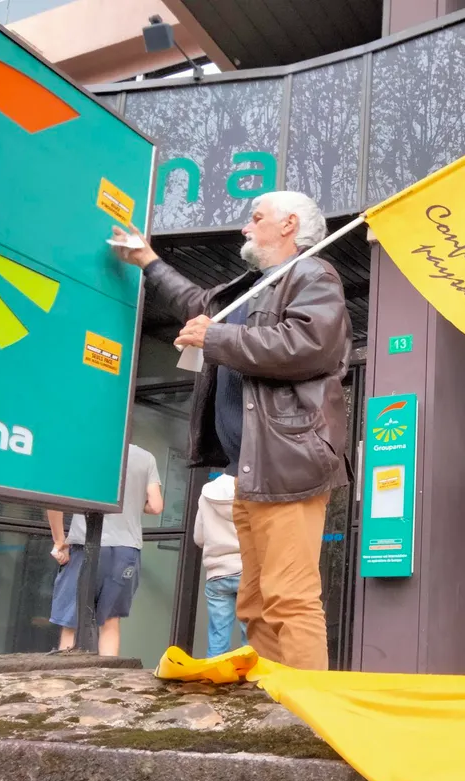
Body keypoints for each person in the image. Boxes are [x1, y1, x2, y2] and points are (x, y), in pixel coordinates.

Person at [111, 191, 351, 670]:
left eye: (256, 217)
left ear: (288, 225)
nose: (246, 227)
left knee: (289, 598)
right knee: (255, 601)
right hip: (252, 471)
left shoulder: (313, 274)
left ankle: (308, 719)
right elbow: (197, 302)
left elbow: (308, 346)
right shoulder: (254, 287)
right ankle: (266, 705)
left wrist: (214, 337)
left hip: (289, 465)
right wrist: (147, 260)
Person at [47, 443, 163, 656]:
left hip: (87, 545)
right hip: (127, 551)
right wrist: (134, 503)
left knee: (72, 622)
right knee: (110, 621)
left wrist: (59, 540)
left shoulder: (82, 450)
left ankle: (64, 681)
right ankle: (108, 680)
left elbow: (53, 501)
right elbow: (156, 506)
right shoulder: (146, 457)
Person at [194, 472, 247, 656]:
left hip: (216, 574)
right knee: (251, 637)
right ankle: (251, 682)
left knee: (218, 637)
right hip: (245, 571)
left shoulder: (207, 494)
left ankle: (213, 681)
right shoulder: (251, 490)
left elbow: (198, 537)